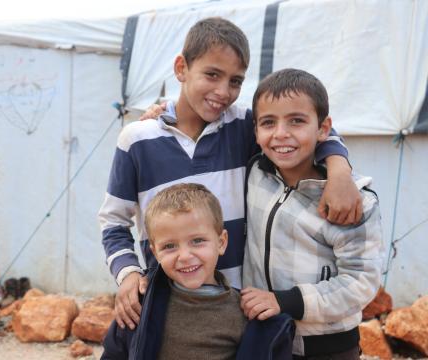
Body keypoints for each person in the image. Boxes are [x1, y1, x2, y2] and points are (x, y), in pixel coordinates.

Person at [99, 17, 360, 331]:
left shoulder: (244, 128)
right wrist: (128, 274)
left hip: (239, 307)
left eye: (235, 81)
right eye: (212, 74)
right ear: (181, 68)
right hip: (168, 305)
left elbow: (307, 131)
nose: (223, 91)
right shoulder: (137, 140)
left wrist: (339, 170)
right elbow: (114, 221)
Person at [241, 68, 384, 359]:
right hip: (265, 336)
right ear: (255, 131)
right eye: (268, 122)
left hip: (328, 346)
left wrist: (288, 301)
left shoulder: (355, 200)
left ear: (322, 128)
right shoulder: (255, 172)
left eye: (296, 121)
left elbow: (361, 281)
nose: (281, 133)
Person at [101, 183, 294, 360]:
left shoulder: (242, 313)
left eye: (197, 241)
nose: (184, 256)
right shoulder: (141, 304)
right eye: (169, 246)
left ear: (221, 242)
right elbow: (114, 354)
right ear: (155, 252)